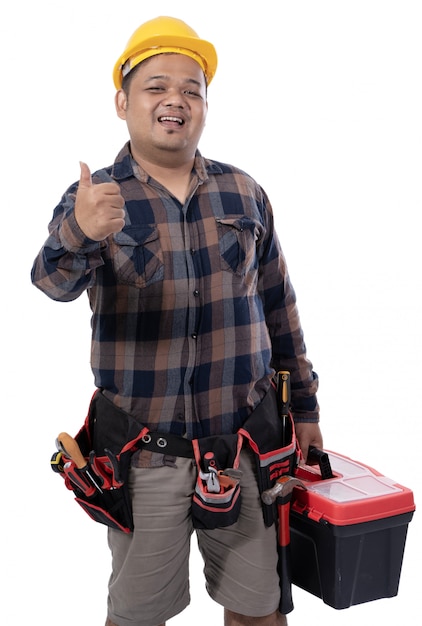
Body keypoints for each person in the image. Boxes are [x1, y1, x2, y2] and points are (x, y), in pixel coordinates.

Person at [31, 16, 323, 626]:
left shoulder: (244, 193)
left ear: (205, 107)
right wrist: (80, 232)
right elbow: (53, 283)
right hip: (143, 456)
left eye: (192, 89)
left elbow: (278, 306)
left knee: (259, 609)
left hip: (244, 446)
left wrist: (309, 413)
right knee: (137, 616)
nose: (176, 100)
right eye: (156, 86)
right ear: (123, 102)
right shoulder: (96, 196)